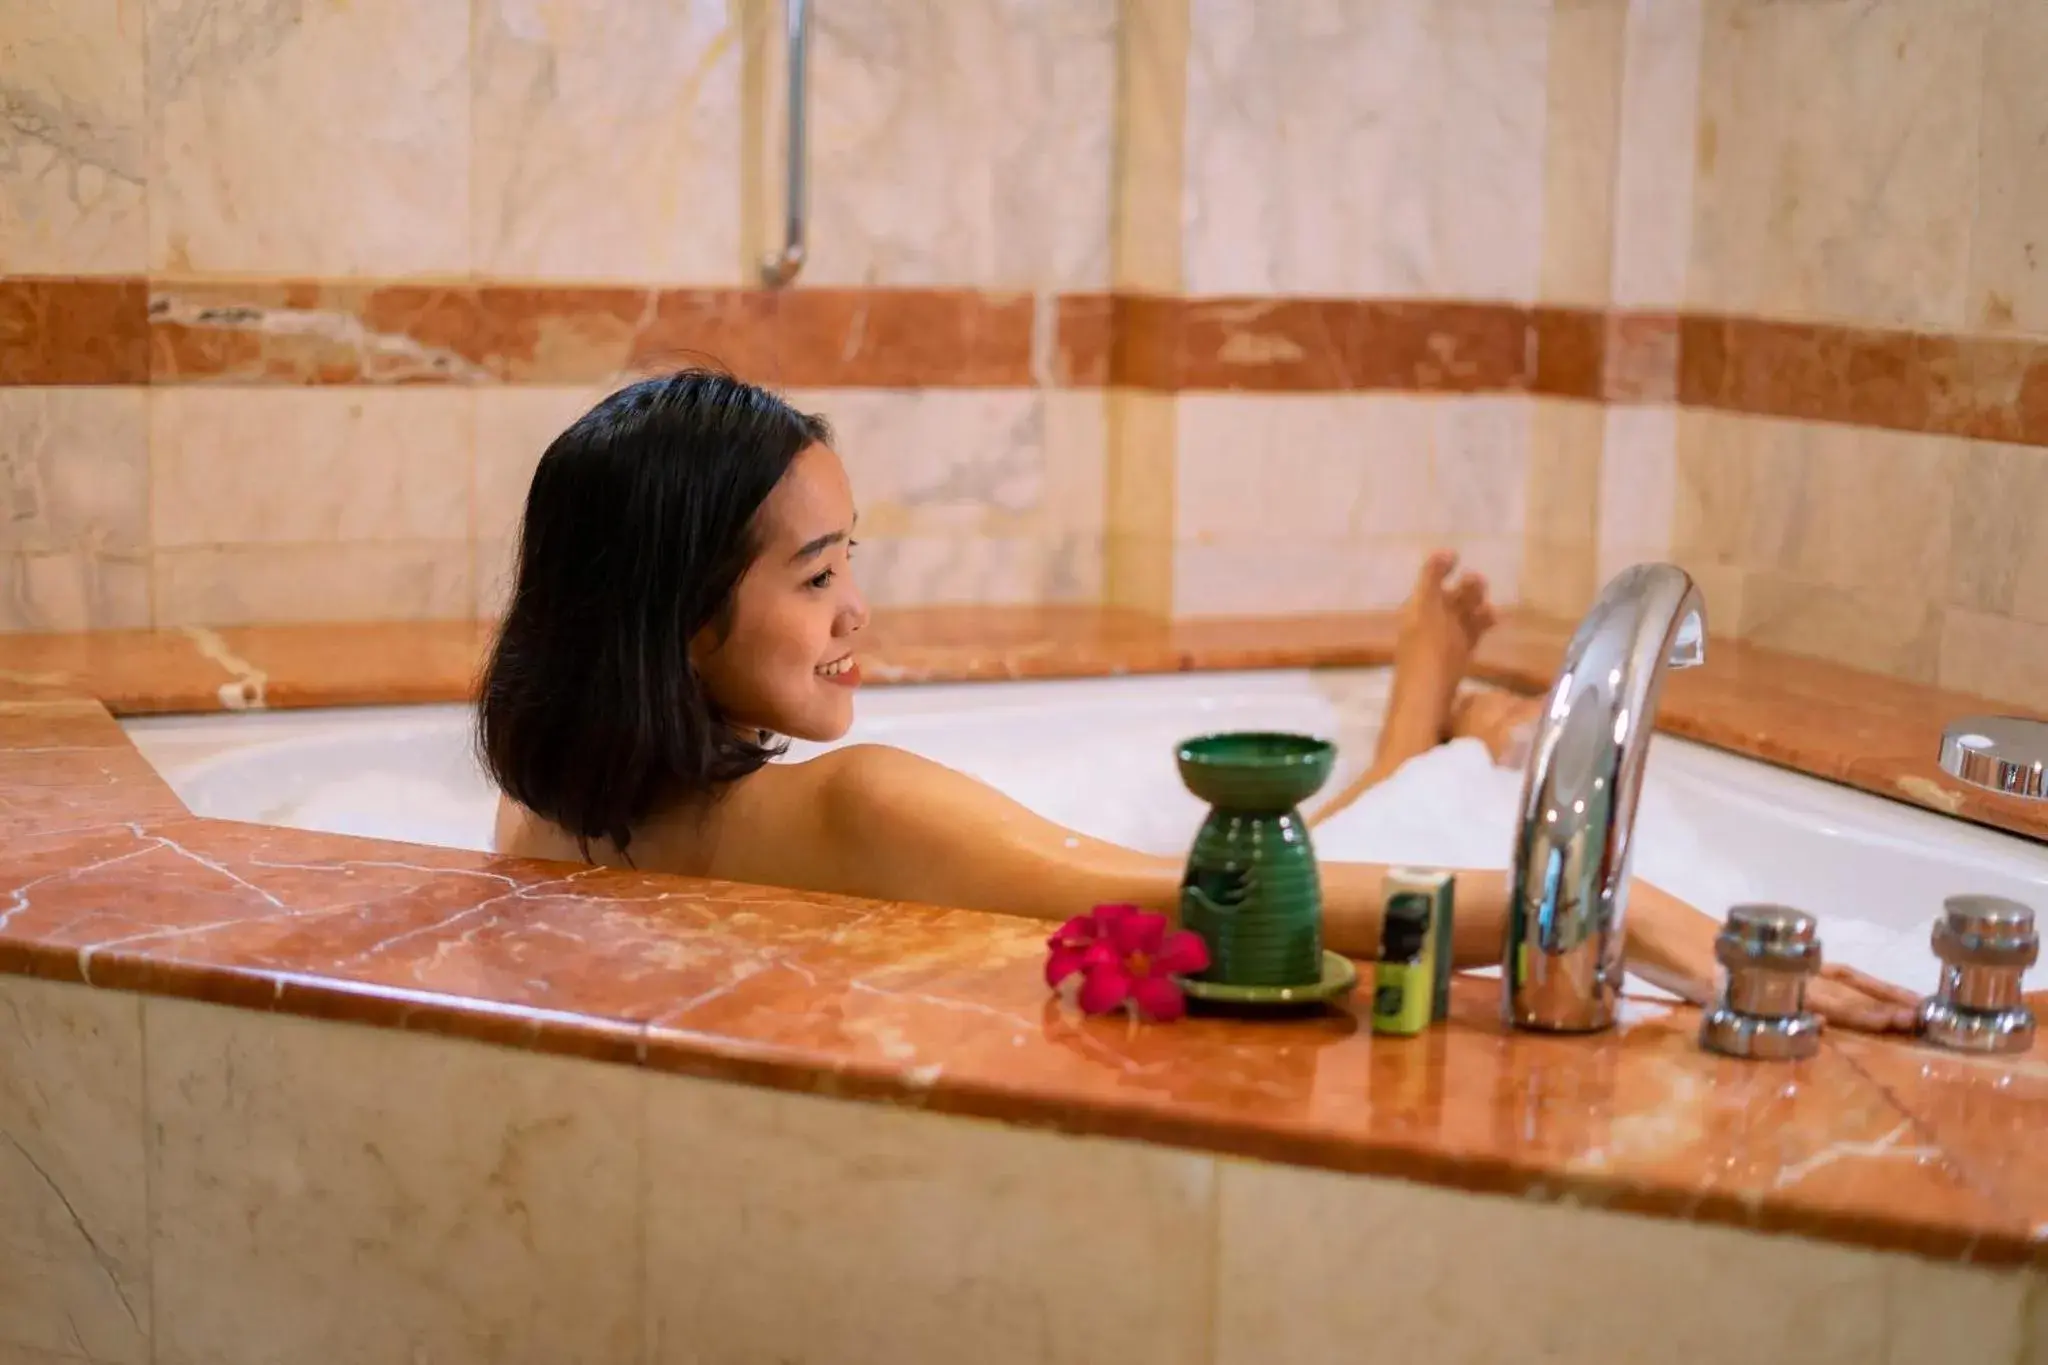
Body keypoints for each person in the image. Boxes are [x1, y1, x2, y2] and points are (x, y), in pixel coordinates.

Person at [481, 370, 1918, 1032]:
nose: (861, 610)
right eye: (814, 578)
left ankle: (1435, 718)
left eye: (858, 556)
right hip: (1228, 876)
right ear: (677, 626)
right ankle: (1448, 723)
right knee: (1288, 839)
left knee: (1308, 819)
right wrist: (1614, 910)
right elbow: (1222, 905)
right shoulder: (858, 802)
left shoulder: (542, 809)